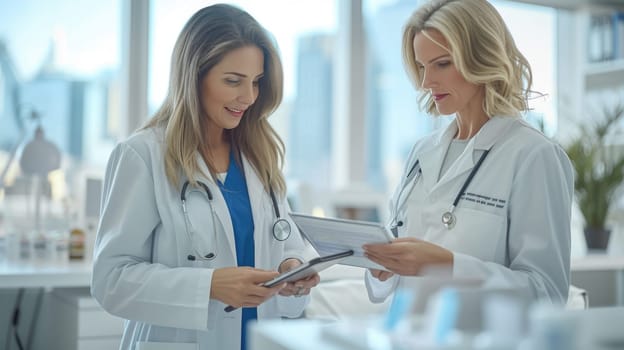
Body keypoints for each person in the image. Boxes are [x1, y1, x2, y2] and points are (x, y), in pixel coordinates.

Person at [90, 4, 319, 350]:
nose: (249, 97)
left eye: (256, 82)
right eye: (233, 81)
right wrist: (210, 285)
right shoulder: (142, 155)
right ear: (194, 76)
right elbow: (111, 281)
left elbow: (284, 241)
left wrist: (292, 267)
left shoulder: (259, 155)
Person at [363, 0, 574, 306]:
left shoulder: (534, 155)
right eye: (422, 67)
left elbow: (547, 293)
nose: (426, 82)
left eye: (442, 64)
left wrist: (448, 266)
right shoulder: (422, 153)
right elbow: (396, 272)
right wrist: (385, 265)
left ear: (482, 57)